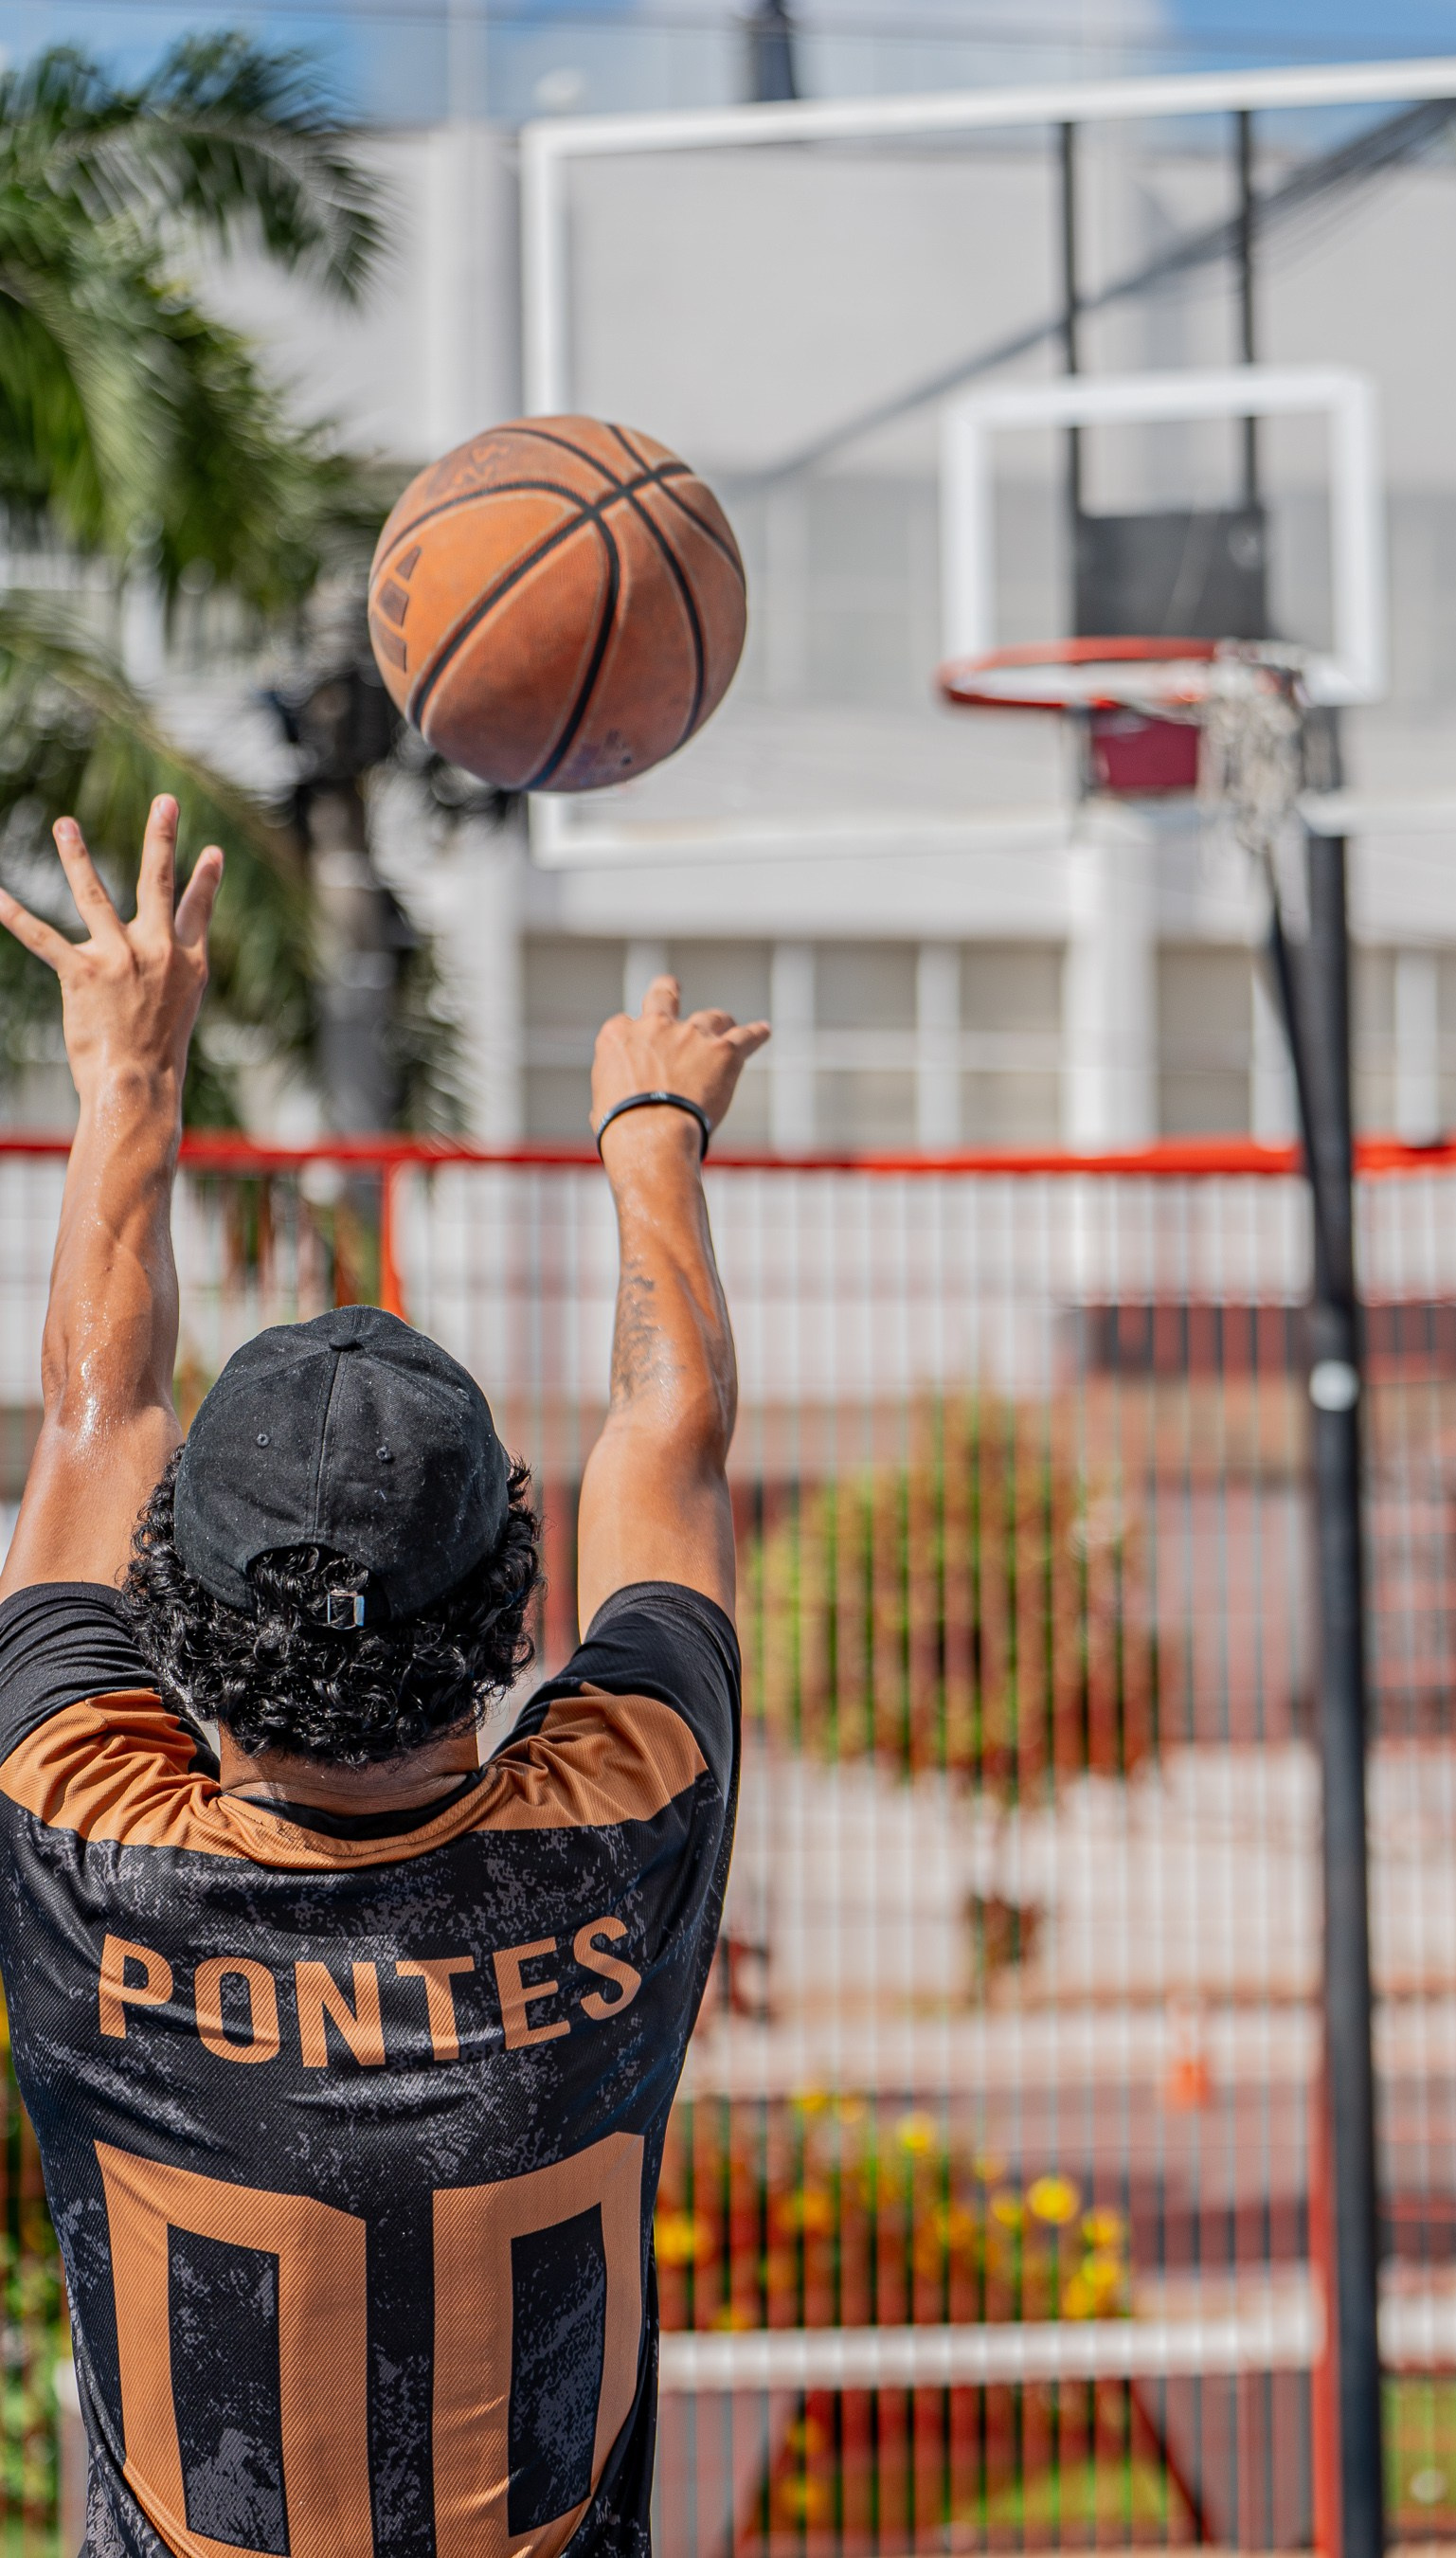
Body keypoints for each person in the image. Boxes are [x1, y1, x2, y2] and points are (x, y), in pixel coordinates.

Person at [0, 797, 768, 2558]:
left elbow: (92, 1418)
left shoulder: (79, 1837)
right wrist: (651, 1129)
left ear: (167, 1607)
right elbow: (673, 1434)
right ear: (518, 1589)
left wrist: (130, 1069)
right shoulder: (621, 1821)